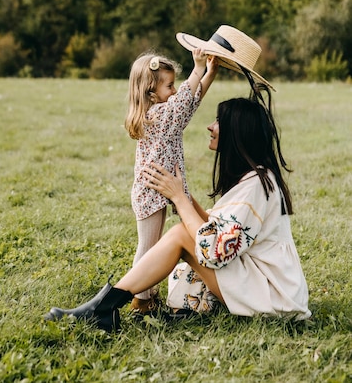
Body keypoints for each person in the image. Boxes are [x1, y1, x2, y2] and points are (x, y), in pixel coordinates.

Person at [44, 85, 311, 332]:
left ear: (236, 133)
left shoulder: (256, 184)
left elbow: (216, 250)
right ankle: (107, 305)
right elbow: (221, 230)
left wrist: (181, 201)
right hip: (265, 286)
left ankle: (103, 307)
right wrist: (182, 196)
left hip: (274, 298)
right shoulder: (256, 177)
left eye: (218, 121)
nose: (210, 126)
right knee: (183, 231)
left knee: (181, 234)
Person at [124, 48, 218, 314]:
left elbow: (191, 101)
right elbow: (184, 101)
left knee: (151, 245)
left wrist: (209, 74)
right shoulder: (159, 116)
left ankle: (146, 294)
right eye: (169, 85)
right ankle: (142, 301)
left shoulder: (167, 115)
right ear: (151, 92)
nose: (175, 90)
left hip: (156, 189)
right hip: (151, 190)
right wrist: (198, 68)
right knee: (148, 246)